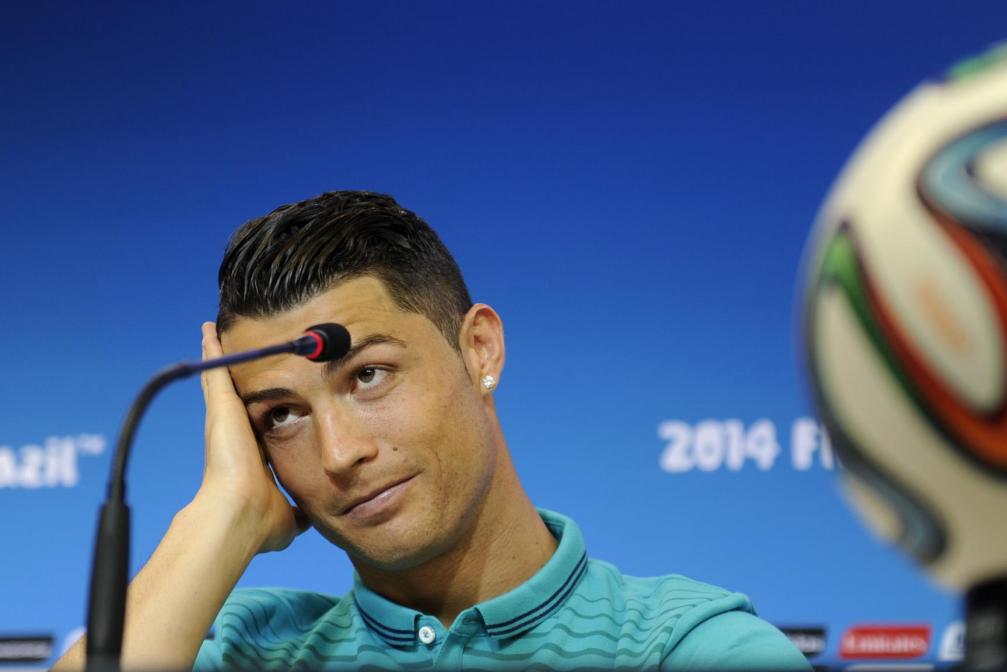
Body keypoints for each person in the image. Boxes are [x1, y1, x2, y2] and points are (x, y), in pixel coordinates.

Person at [55, 191, 810, 670]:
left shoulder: (685, 649)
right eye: (280, 416)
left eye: (369, 375)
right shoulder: (246, 650)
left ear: (479, 350)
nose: (340, 453)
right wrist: (221, 518)